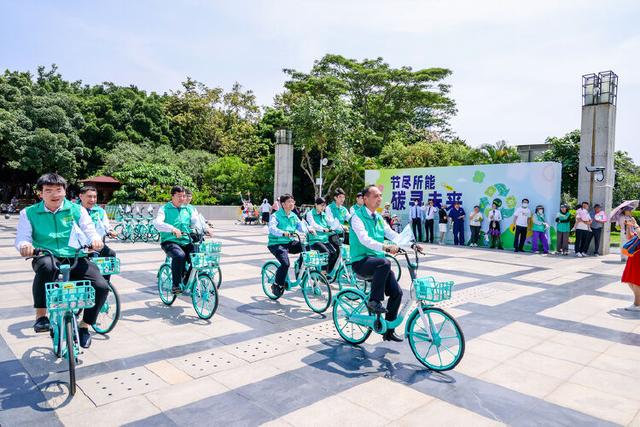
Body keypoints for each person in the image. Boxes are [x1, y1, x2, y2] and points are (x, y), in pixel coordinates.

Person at [15, 173, 109, 348]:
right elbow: (22, 237)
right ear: (40, 193)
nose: (54, 194)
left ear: (65, 192)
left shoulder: (76, 209)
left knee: (101, 287)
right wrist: (24, 246)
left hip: (75, 256)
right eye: (48, 190)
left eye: (58, 190)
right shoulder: (28, 213)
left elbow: (89, 229)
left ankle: (84, 326)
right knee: (47, 267)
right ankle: (41, 316)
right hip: (45, 254)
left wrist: (95, 240)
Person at [349, 185, 423, 342]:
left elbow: (393, 234)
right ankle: (374, 301)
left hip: (377, 263)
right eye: (376, 196)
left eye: (380, 196)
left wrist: (411, 245)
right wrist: (385, 247)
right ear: (365, 198)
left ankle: (388, 331)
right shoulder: (357, 217)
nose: (379, 199)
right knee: (385, 262)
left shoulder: (379, 218)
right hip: (360, 261)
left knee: (397, 293)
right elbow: (364, 239)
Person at [154, 186, 202, 294]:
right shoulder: (164, 209)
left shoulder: (188, 209)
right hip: (169, 241)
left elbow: (196, 221)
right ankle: (175, 285)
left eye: (184, 196)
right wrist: (172, 228)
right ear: (172, 196)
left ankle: (186, 281)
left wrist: (205, 229)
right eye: (179, 196)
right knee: (179, 255)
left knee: (198, 258)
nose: (182, 198)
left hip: (186, 240)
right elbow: (157, 223)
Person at [267, 194, 306, 294]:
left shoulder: (293, 216)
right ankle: (277, 284)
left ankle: (299, 268)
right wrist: (282, 232)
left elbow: (300, 226)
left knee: (306, 247)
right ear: (283, 204)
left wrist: (309, 230)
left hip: (289, 242)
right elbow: (272, 228)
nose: (291, 204)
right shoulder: (276, 215)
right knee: (285, 264)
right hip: (276, 243)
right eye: (289, 202)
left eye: (293, 202)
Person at [79, 186, 117, 281]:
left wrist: (110, 231)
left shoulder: (100, 211)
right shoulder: (75, 210)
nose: (92, 199)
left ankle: (105, 281)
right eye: (89, 196)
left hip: (96, 244)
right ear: (81, 196)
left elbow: (106, 225)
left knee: (110, 254)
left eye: (95, 197)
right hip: (79, 246)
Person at [305, 197, 339, 274]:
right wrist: (323, 229)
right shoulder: (310, 214)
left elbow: (331, 222)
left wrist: (340, 227)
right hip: (315, 240)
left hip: (324, 239)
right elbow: (313, 224)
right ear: (316, 205)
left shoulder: (324, 214)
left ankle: (328, 271)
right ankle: (323, 273)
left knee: (334, 253)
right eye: (321, 205)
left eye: (324, 206)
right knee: (325, 253)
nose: (323, 208)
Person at [621, 219, 640, 310]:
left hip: (638, 259)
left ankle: (637, 304)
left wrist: (635, 224)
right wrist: (628, 227)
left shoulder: (638, 228)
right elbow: (630, 237)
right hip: (633, 257)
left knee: (636, 281)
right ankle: (638, 300)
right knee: (629, 280)